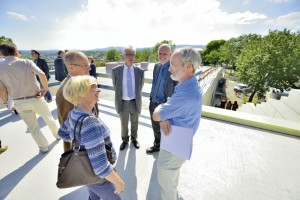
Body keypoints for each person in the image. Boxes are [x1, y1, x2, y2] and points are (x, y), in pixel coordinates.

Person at [58, 75, 124, 199]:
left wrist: (80, 141)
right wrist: (119, 182)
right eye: (94, 86)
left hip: (85, 171)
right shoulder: (89, 122)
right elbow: (101, 167)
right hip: (98, 178)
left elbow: (62, 133)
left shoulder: (75, 112)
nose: (98, 90)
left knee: (94, 197)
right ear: (81, 93)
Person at [153, 47, 202, 200]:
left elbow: (156, 115)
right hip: (181, 139)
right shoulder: (189, 84)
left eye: (173, 64)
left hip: (176, 141)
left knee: (166, 181)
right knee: (172, 176)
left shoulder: (186, 94)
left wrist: (162, 116)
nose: (169, 68)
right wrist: (165, 117)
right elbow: (167, 109)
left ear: (188, 66)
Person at [0, 43, 60, 153]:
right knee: (48, 118)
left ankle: (43, 147)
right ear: (16, 51)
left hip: (19, 101)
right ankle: (57, 135)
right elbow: (41, 74)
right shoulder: (26, 62)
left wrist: (8, 105)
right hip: (36, 97)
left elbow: (2, 90)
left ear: (2, 54)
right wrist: (45, 89)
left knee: (33, 127)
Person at [56, 51, 97, 152]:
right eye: (85, 65)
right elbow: (67, 129)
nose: (89, 68)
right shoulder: (65, 91)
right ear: (71, 67)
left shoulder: (80, 83)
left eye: (89, 64)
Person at [112, 45, 144, 151]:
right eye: (128, 54)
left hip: (135, 102)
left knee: (135, 122)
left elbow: (140, 87)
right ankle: (125, 140)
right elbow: (115, 87)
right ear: (123, 56)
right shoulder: (116, 71)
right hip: (123, 102)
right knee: (124, 123)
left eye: (133, 54)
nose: (131, 57)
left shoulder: (140, 71)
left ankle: (134, 139)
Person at [146, 44, 177, 154]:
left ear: (170, 54)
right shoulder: (156, 66)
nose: (162, 55)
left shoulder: (174, 68)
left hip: (165, 105)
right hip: (153, 102)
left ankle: (166, 149)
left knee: (166, 128)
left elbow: (176, 89)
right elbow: (155, 83)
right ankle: (157, 145)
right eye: (160, 53)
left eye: (165, 53)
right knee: (155, 126)